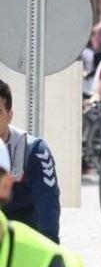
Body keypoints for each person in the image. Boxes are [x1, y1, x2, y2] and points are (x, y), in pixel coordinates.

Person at [0, 80, 61, 243]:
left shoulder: (34, 150)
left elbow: (47, 207)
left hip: (23, 240)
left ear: (9, 116)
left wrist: (51, 257)